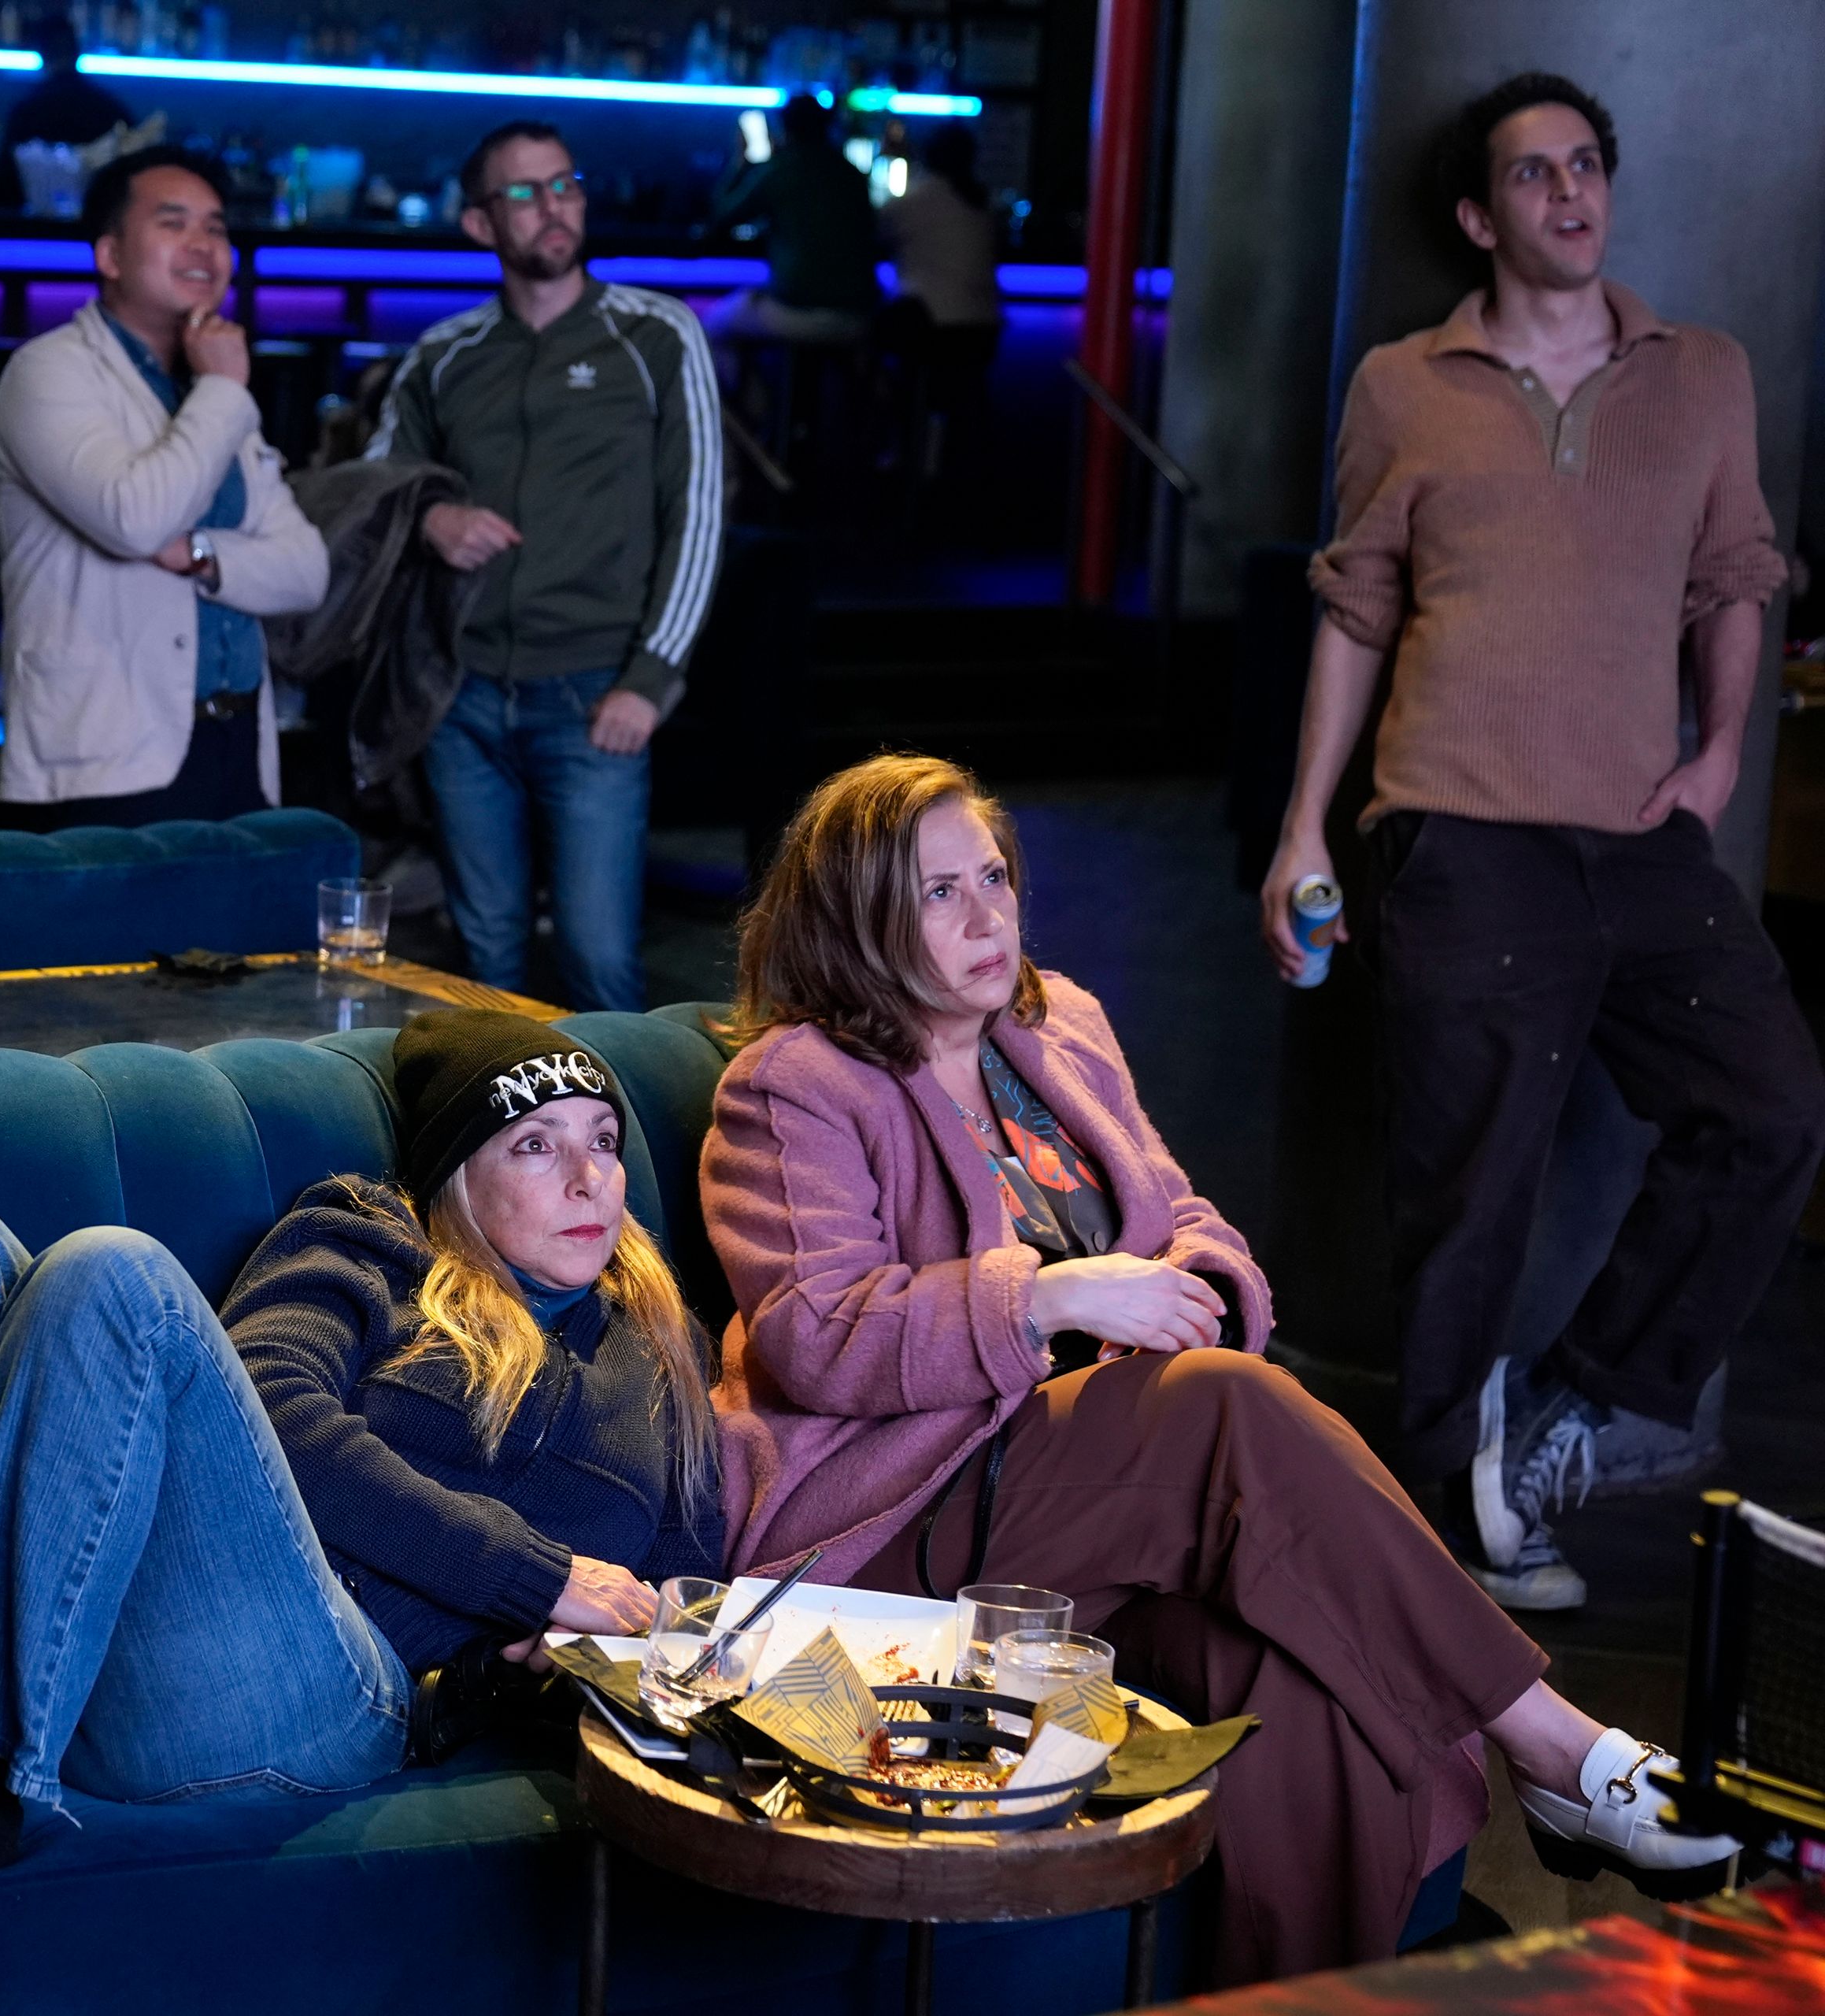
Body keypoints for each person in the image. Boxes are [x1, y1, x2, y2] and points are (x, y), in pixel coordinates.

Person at [702, 754, 1739, 1988]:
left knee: (1299, 1693)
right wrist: (1054, 1296)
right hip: (901, 1528)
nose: (990, 917)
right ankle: (1557, 1750)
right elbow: (815, 1333)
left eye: (995, 875)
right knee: (1218, 1402)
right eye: (938, 893)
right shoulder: (795, 1087)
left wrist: (1193, 1290)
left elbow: (1184, 1216)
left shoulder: (1057, 1025)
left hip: (1108, 1512)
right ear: (853, 914)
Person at [0, 1008, 718, 1933]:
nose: (591, 1182)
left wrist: (534, 1670)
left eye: (604, 1144)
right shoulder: (366, 1240)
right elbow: (275, 1406)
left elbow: (679, 1607)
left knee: (115, 1268)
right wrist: (534, 1577)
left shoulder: (662, 1354)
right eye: (536, 1146)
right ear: (453, 1173)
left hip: (343, 1698)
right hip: (130, 1610)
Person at [1262, 74, 1825, 1610]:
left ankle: (1574, 1412)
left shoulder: (1704, 373)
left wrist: (1715, 756)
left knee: (1771, 1107)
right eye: (1534, 176)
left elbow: (1735, 577)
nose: (1571, 196)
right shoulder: (1404, 384)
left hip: (1639, 841)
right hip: (1460, 832)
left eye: (1589, 168)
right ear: (1477, 214)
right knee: (1471, 1186)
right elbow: (1357, 609)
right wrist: (1305, 825)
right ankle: (1460, 1511)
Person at [365, 120, 723, 1012]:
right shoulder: (443, 355)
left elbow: (700, 515)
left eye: (564, 185)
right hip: (464, 695)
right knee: (483, 960)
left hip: (596, 692)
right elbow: (373, 491)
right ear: (481, 225)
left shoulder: (657, 335)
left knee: (600, 961)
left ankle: (617, 1150)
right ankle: (503, 1149)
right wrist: (433, 516)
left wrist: (651, 679)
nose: (553, 208)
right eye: (523, 194)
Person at [0, 147, 326, 823]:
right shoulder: (48, 373)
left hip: (235, 742)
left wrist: (199, 553)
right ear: (109, 256)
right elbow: (136, 519)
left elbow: (307, 571)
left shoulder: (206, 385)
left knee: (244, 934)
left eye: (218, 228)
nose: (204, 245)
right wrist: (227, 388)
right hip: (106, 752)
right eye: (174, 224)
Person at [878, 124, 1004, 511]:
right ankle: (933, 460)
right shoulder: (985, 202)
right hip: (983, 334)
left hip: (933, 331)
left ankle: (895, 451)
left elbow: (870, 233)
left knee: (873, 349)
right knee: (950, 392)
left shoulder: (920, 199)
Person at [702, 94, 883, 345]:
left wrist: (741, 161)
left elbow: (721, 216)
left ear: (785, 128)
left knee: (710, 327)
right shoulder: (851, 172)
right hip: (861, 313)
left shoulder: (781, 169)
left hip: (798, 307)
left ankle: (759, 387)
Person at [0, 17, 135, 211]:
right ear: (78, 51)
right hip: (102, 226)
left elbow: (3, 190)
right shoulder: (111, 109)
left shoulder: (28, 111)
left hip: (38, 234)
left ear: (42, 54)